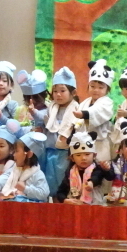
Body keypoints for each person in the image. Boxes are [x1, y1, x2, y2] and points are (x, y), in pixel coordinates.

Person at [0, 131, 50, 202]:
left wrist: (25, 189)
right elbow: (3, 178)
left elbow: (44, 193)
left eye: (16, 151)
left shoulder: (37, 174)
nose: (13, 155)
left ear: (29, 154)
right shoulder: (14, 170)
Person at [45, 66, 79, 200]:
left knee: (63, 184)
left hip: (65, 153)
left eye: (62, 91)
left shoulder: (76, 110)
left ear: (73, 92)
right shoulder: (51, 107)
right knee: (50, 182)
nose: (58, 94)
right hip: (50, 151)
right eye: (55, 91)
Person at [56, 132, 115, 205]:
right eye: (78, 155)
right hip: (75, 206)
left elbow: (105, 176)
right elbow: (60, 192)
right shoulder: (70, 172)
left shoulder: (98, 168)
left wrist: (106, 169)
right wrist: (65, 200)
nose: (83, 158)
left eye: (87, 154)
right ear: (72, 158)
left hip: (95, 206)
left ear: (94, 155)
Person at [73, 59, 115, 162]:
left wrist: (84, 114)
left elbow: (97, 111)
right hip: (84, 145)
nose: (96, 90)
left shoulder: (107, 102)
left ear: (107, 89)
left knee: (100, 167)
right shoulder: (85, 103)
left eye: (100, 88)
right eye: (92, 86)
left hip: (100, 144)